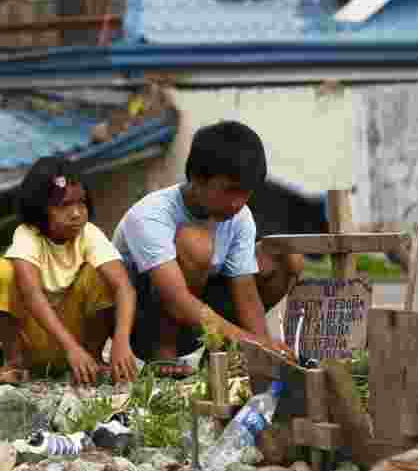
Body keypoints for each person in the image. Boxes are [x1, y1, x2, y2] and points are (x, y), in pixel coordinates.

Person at [112, 120, 303, 374]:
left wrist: (264, 349)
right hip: (141, 325)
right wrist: (251, 341)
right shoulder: (151, 214)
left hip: (198, 324)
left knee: (288, 259)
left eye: (246, 192)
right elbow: (177, 299)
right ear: (197, 179)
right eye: (230, 190)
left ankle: (224, 355)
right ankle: (163, 357)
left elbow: (244, 290)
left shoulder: (240, 217)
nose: (238, 203)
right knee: (196, 245)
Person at [0, 156, 138, 386]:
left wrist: (121, 340)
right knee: (3, 272)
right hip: (40, 341)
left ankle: (92, 361)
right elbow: (31, 294)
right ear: (40, 208)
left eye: (81, 203)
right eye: (64, 205)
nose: (76, 213)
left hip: (79, 347)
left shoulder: (90, 234)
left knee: (101, 274)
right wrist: (71, 348)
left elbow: (124, 288)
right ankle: (15, 363)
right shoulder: (27, 236)